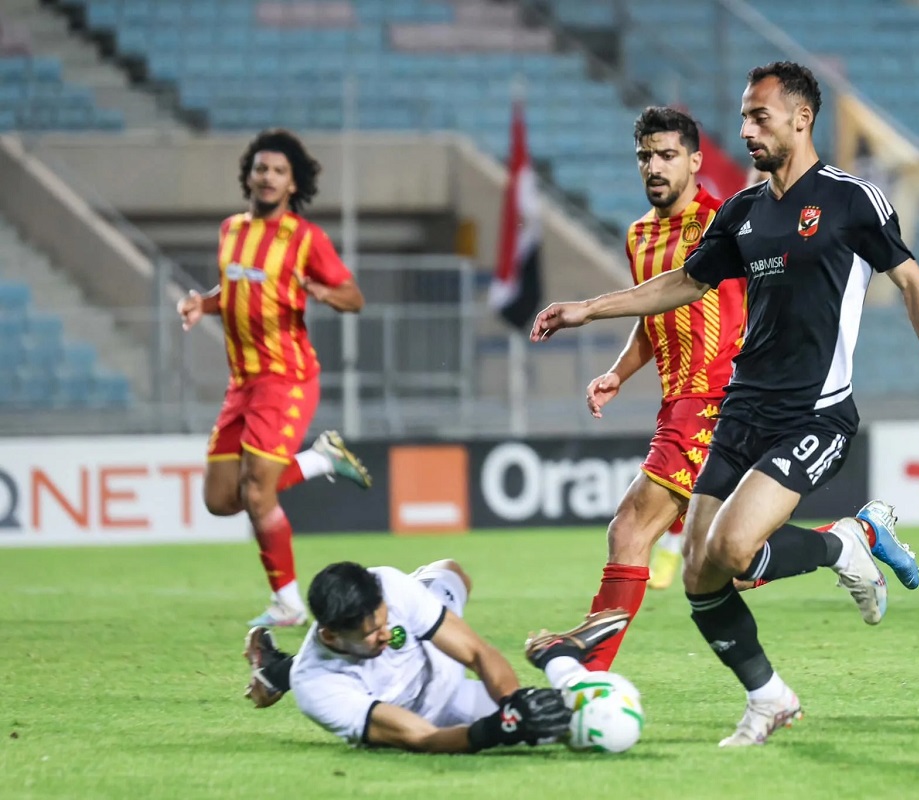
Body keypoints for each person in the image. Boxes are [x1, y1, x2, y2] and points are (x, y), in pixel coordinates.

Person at [530, 62, 919, 746]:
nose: (746, 130)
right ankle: (770, 697)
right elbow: (683, 283)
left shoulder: (852, 200)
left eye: (759, 116)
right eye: (743, 117)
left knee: (733, 548)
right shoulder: (743, 211)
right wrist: (588, 309)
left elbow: (913, 282)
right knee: (700, 574)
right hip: (742, 411)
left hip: (815, 413)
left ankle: (846, 543)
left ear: (802, 118)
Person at [177, 129, 371, 628]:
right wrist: (203, 304)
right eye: (261, 168)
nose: (267, 177)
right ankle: (320, 459)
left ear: (292, 184)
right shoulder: (231, 230)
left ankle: (288, 604)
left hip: (286, 379)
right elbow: (235, 289)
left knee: (258, 493)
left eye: (278, 171)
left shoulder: (305, 239)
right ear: (249, 176)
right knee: (220, 499)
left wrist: (322, 293)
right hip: (241, 382)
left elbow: (353, 297)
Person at [577, 106, 744, 668]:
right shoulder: (638, 235)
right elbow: (654, 314)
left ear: (695, 161)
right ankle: (852, 538)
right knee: (725, 559)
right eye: (645, 156)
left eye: (667, 155)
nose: (654, 166)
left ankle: (588, 675)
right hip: (676, 402)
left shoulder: (725, 223)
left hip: (713, 399)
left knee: (629, 528)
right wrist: (618, 374)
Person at [242, 559, 631, 753]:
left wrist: (514, 702)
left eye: (384, 620)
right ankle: (555, 657)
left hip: (435, 657)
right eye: (371, 632)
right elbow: (421, 736)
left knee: (450, 571)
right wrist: (500, 727)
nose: (384, 633)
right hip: (431, 714)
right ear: (330, 634)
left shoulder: (388, 587)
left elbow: (477, 652)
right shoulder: (317, 690)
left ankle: (277, 670)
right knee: (570, 727)